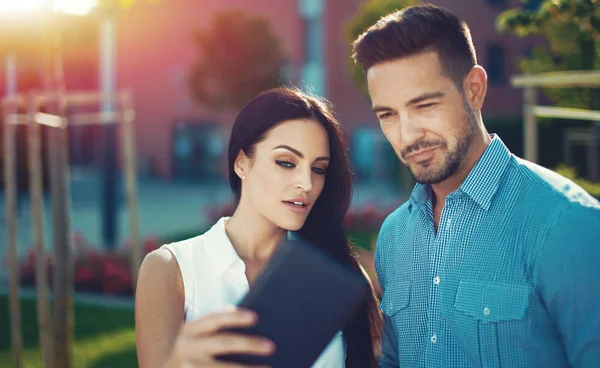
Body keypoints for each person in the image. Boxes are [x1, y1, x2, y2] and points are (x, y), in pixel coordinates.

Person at [352, 4, 600, 368]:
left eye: (424, 105)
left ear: (474, 89)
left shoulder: (568, 225)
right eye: (388, 115)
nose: (407, 135)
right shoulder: (393, 235)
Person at [135, 88, 382, 368]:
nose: (306, 183)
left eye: (318, 169)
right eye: (286, 163)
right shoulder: (170, 269)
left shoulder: (340, 270)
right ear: (242, 162)